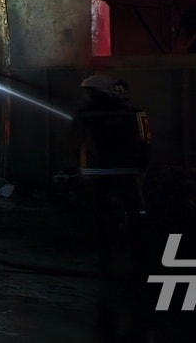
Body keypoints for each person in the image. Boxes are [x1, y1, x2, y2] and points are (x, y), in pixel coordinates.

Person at [71, 74, 152, 343]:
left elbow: (75, 142)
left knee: (102, 217)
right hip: (127, 174)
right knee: (135, 214)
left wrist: (77, 169)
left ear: (94, 92)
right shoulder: (133, 113)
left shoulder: (85, 114)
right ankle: (140, 257)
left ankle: (107, 256)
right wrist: (142, 167)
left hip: (99, 174)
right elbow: (145, 140)